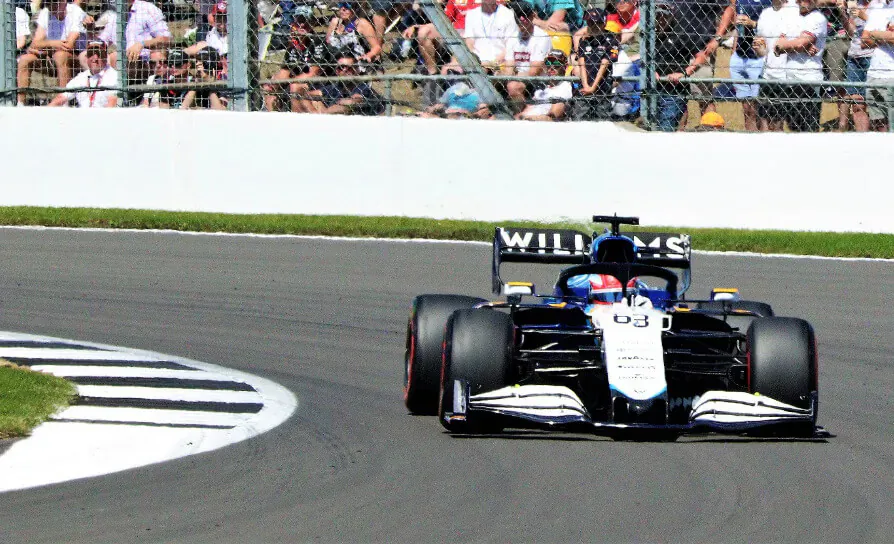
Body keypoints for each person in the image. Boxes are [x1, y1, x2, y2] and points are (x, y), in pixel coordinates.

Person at [667, 0, 735, 120]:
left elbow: (728, 9)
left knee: (703, 95)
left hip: (701, 48)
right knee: (678, 95)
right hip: (674, 48)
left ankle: (709, 129)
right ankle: (678, 133)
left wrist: (717, 38)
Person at [652, 3, 710, 131]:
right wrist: (651, 71)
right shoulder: (650, 35)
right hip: (652, 88)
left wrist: (684, 73)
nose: (661, 20)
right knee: (649, 128)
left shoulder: (681, 34)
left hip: (674, 90)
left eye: (664, 16)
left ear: (672, 16)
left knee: (666, 129)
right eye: (658, 16)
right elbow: (642, 57)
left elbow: (701, 56)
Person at [17, 0, 87, 106]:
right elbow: (35, 43)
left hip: (77, 59)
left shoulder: (76, 12)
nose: (50, 5)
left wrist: (46, 45)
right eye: (48, 2)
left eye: (54, 2)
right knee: (25, 59)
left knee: (60, 55)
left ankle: (63, 104)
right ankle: (20, 104)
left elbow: (69, 45)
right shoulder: (46, 12)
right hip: (51, 55)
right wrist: (54, 44)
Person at [97, 0, 172, 96]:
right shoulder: (115, 13)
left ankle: (120, 97)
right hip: (121, 59)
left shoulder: (148, 9)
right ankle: (98, 96)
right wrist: (93, 39)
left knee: (115, 57)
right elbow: (103, 39)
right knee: (86, 56)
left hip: (145, 61)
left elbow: (167, 39)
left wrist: (142, 44)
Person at [774, 0, 828, 132]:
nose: (804, 2)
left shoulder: (818, 18)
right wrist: (794, 45)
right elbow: (777, 45)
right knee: (794, 128)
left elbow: (800, 44)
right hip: (790, 80)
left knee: (808, 129)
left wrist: (789, 46)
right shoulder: (791, 17)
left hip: (808, 79)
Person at [263, 16, 336, 112]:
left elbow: (313, 72)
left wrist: (291, 80)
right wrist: (273, 83)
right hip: (297, 81)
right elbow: (284, 73)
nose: (302, 25)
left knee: (295, 85)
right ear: (293, 25)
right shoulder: (293, 46)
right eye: (299, 22)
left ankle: (296, 120)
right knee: (268, 87)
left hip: (319, 83)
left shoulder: (318, 41)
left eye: (305, 22)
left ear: (311, 25)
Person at [730, 0, 776, 131]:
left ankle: (765, 138)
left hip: (759, 57)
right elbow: (738, 31)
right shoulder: (741, 1)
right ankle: (749, 138)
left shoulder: (769, 2)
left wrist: (753, 24)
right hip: (739, 57)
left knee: (761, 107)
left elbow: (776, 27)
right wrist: (734, 52)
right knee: (746, 106)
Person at [753, 0, 798, 130]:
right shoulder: (765, 14)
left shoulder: (796, 11)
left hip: (787, 77)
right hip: (767, 75)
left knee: (778, 126)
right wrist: (758, 49)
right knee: (764, 125)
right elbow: (763, 52)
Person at [442, 0, 518, 73]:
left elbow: (510, 46)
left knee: (482, 70)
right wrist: (473, 60)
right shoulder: (472, 14)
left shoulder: (507, 14)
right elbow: (469, 42)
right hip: (477, 59)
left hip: (499, 59)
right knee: (446, 69)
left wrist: (493, 62)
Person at [503, 3, 553, 112]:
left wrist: (514, 77)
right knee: (493, 82)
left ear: (532, 16)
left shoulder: (541, 37)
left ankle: (516, 116)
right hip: (517, 77)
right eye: (518, 15)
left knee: (513, 86)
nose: (521, 19)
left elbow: (534, 71)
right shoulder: (513, 37)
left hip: (538, 81)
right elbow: (509, 67)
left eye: (524, 15)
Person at [572, 8, 619, 120]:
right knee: (580, 117)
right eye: (589, 22)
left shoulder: (611, 39)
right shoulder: (584, 40)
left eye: (594, 23)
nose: (591, 26)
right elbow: (582, 64)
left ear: (603, 24)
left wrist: (593, 87)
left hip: (602, 87)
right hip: (584, 86)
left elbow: (604, 65)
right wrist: (586, 86)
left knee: (602, 118)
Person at [305, 54, 385, 115]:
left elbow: (351, 104)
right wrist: (318, 102)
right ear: (337, 72)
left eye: (349, 67)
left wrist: (324, 112)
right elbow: (305, 95)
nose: (345, 70)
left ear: (357, 70)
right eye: (341, 67)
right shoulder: (335, 87)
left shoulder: (362, 87)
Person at [47, 40, 118, 108]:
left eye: (99, 54)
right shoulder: (81, 77)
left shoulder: (113, 76)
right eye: (91, 54)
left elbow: (112, 104)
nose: (95, 58)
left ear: (105, 57)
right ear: (86, 57)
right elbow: (61, 98)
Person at [838, 0, 873, 131]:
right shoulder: (855, 3)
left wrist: (863, 15)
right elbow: (852, 33)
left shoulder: (882, 5)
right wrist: (843, 14)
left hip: (874, 57)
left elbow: (884, 29)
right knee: (857, 104)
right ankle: (863, 142)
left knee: (879, 105)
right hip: (855, 56)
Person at [861, 0, 894, 130]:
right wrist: (886, 35)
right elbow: (864, 41)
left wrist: (875, 34)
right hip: (874, 74)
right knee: (878, 123)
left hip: (892, 75)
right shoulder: (877, 8)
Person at [517, 49, 573, 120]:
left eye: (556, 64)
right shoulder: (542, 88)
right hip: (527, 121)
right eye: (548, 63)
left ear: (565, 67)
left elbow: (552, 117)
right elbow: (525, 111)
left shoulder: (565, 88)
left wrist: (528, 119)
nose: (551, 67)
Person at [326, 2, 382, 66]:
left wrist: (367, 56)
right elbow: (327, 43)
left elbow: (377, 47)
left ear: (355, 8)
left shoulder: (361, 23)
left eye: (347, 5)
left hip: (357, 63)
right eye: (341, 4)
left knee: (344, 62)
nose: (343, 8)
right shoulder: (335, 22)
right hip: (334, 62)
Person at [419, 81, 488, 117]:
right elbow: (439, 105)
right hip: (450, 113)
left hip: (464, 115)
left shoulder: (480, 94)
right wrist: (431, 109)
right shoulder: (455, 88)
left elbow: (483, 109)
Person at [519, 0, 584, 33]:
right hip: (542, 29)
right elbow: (523, 14)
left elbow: (554, 24)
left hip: (575, 29)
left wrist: (534, 21)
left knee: (561, 27)